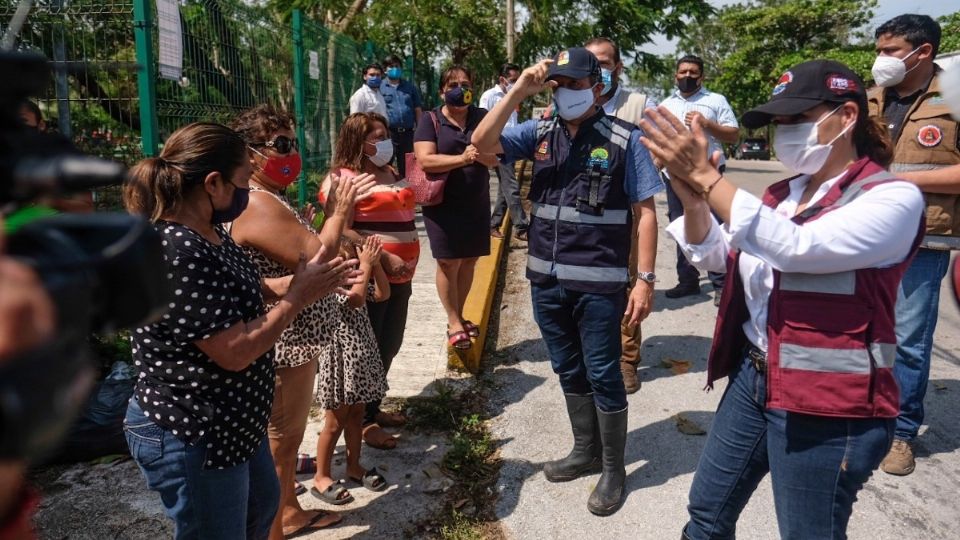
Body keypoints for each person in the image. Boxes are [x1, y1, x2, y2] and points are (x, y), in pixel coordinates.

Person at [641, 60, 924, 539]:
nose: (783, 132)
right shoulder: (780, 195)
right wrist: (693, 201)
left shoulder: (891, 198)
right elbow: (718, 257)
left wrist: (709, 181)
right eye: (778, 122)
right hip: (755, 378)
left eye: (797, 118)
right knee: (706, 512)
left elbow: (797, 249)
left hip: (830, 402)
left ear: (847, 116)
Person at [121, 122, 357, 540]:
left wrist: (302, 283)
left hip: (233, 426)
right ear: (213, 184)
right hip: (192, 433)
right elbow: (234, 350)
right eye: (244, 180)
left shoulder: (209, 233)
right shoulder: (177, 250)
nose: (248, 191)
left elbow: (248, 286)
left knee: (263, 511)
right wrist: (298, 297)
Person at [472, 48, 662, 515]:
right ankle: (585, 449)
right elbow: (481, 142)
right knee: (568, 369)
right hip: (547, 279)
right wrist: (519, 89)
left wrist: (644, 281)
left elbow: (646, 214)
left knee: (603, 372)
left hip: (600, 285)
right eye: (558, 85)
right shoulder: (538, 133)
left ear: (597, 87)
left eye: (575, 85)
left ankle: (614, 468)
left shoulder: (625, 138)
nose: (565, 93)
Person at [227, 105, 375, 538]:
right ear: (251, 154)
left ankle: (288, 509)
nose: (291, 153)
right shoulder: (258, 203)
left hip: (297, 341)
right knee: (282, 439)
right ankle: (275, 527)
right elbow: (318, 255)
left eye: (292, 142)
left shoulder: (269, 197)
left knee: (286, 438)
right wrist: (340, 209)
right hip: (284, 343)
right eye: (281, 144)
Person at [867, 14, 960, 477]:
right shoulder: (870, 98)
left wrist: (895, 181)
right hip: (864, 232)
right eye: (879, 49)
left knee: (906, 340)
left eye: (890, 50)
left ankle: (900, 432)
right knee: (862, 330)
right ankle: (864, 413)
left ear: (922, 52)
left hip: (923, 236)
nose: (881, 59)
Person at [322, 112, 420, 449]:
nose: (384, 141)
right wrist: (381, 254)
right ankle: (361, 422)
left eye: (385, 134)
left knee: (390, 344)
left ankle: (373, 407)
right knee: (370, 348)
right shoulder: (347, 179)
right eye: (376, 137)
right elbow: (342, 227)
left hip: (400, 275)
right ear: (358, 142)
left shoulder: (390, 172)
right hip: (369, 275)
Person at [584, 36, 656, 395]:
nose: (600, 69)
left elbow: (657, 152)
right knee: (588, 284)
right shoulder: (573, 101)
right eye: (592, 62)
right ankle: (595, 354)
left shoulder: (639, 105)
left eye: (606, 62)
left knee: (627, 283)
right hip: (584, 212)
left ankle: (627, 360)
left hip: (625, 211)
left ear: (618, 67)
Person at [414, 65, 499, 351]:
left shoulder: (481, 117)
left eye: (465, 83)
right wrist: (463, 159)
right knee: (448, 261)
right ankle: (453, 321)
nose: (460, 89)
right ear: (442, 90)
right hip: (442, 202)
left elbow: (496, 156)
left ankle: (460, 316)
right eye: (453, 84)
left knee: (469, 260)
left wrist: (482, 156)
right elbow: (425, 160)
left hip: (475, 199)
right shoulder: (430, 120)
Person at [311, 234, 390, 505]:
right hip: (341, 360)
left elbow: (382, 293)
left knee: (357, 415)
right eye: (350, 261)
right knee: (334, 423)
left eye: (356, 261)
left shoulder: (360, 278)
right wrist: (367, 266)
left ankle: (354, 466)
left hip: (360, 358)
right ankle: (321, 476)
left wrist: (375, 264)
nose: (356, 265)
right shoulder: (333, 285)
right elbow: (355, 300)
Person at [659, 55, 739, 303]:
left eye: (693, 72)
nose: (687, 76)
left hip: (708, 172)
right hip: (675, 174)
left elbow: (733, 134)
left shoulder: (715, 101)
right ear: (675, 75)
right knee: (680, 224)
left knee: (713, 223)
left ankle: (721, 284)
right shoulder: (664, 105)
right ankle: (688, 281)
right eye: (682, 72)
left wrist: (706, 124)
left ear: (701, 76)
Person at [481, 62, 529, 240]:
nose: (516, 83)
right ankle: (522, 227)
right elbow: (482, 122)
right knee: (511, 186)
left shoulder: (513, 96)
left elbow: (513, 123)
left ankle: (493, 224)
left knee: (504, 188)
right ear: (502, 79)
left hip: (511, 146)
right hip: (497, 146)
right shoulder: (490, 96)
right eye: (512, 80)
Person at [382, 54, 423, 177]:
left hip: (408, 134)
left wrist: (420, 130)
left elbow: (417, 109)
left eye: (397, 66)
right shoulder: (380, 87)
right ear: (385, 70)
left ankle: (407, 193)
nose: (395, 69)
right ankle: (387, 193)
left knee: (408, 167)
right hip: (389, 134)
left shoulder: (410, 87)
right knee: (386, 165)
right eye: (391, 66)